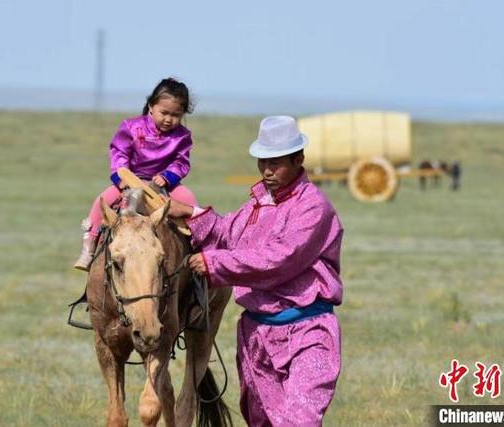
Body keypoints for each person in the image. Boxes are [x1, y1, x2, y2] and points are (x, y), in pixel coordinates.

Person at [168, 116, 344, 426]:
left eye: (276, 162)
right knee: (261, 421)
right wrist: (192, 214)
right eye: (263, 161)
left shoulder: (314, 208)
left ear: (298, 159)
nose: (267, 170)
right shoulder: (257, 204)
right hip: (256, 336)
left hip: (307, 333)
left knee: (298, 421)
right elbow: (227, 234)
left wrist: (214, 264)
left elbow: (280, 259)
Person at [73, 77, 198, 271]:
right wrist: (122, 178)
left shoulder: (182, 136)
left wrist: (167, 176)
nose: (168, 119)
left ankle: (198, 251)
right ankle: (89, 249)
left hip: (165, 184)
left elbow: (181, 161)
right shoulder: (131, 127)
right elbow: (119, 152)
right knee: (102, 203)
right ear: (151, 106)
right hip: (130, 180)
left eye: (176, 115)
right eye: (164, 112)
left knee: (189, 201)